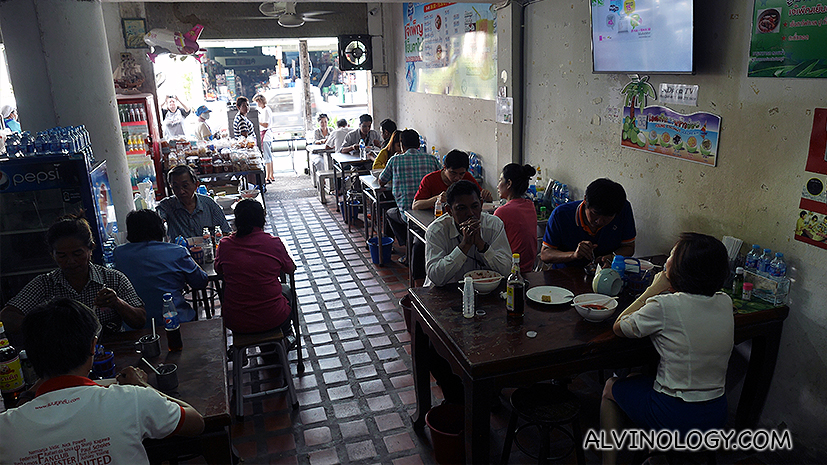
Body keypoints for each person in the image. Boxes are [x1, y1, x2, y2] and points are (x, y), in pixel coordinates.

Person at [0, 298, 203, 463]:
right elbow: (196, 422)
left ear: (30, 355)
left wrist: (32, 390)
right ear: (93, 346)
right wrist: (143, 386)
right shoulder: (132, 399)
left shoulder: (5, 429)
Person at [601, 233, 733, 464]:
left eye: (671, 256)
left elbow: (619, 326)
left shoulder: (665, 305)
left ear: (682, 268)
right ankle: (656, 456)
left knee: (611, 387)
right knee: (636, 378)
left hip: (676, 416)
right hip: (716, 413)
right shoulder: (724, 302)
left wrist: (654, 288)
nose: (666, 261)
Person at [0, 214, 146, 342]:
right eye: (62, 255)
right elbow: (7, 317)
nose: (70, 261)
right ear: (52, 255)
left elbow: (140, 320)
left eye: (77, 253)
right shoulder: (45, 284)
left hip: (110, 353)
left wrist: (117, 303)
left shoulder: (113, 279)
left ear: (91, 249)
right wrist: (46, 324)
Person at [114, 209, 208, 328]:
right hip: (175, 321)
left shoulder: (119, 253)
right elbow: (201, 281)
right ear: (160, 229)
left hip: (135, 324)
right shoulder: (177, 252)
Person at [215, 200, 296, 334]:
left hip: (236, 321)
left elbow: (218, 269)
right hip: (273, 318)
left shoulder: (225, 245)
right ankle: (288, 336)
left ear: (236, 221)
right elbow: (290, 269)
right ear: (262, 220)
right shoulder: (274, 243)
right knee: (287, 292)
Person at [424, 180, 512, 287]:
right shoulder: (436, 230)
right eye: (461, 208)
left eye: (475, 206)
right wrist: (464, 246)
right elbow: (435, 277)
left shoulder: (494, 225)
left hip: (485, 291)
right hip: (445, 291)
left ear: (481, 204)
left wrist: (483, 246)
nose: (470, 213)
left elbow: (507, 270)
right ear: (449, 210)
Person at [540, 178, 635, 269]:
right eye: (595, 213)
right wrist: (573, 255)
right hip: (567, 275)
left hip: (607, 273)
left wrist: (612, 257)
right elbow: (545, 254)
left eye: (608, 217)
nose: (599, 221)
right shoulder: (561, 215)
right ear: (585, 200)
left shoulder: (623, 209)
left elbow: (629, 247)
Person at [379, 129, 441, 250]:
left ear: (402, 145)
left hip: (406, 213)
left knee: (389, 213)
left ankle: (406, 246)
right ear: (419, 144)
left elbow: (382, 180)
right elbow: (441, 175)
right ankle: (411, 244)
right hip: (430, 209)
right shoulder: (431, 159)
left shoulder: (395, 160)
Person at [156, 165, 231, 240]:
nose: (181, 191)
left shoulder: (209, 204)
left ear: (196, 185)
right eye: (175, 187)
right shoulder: (167, 205)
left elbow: (226, 232)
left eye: (185, 186)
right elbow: (158, 218)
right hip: (180, 251)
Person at [411, 149, 493, 211]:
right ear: (444, 167)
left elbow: (480, 196)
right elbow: (415, 206)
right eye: (453, 173)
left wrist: (487, 197)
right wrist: (437, 199)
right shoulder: (429, 179)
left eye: (461, 174)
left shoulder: (467, 177)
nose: (457, 178)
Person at [494, 164, 539, 273]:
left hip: (511, 271)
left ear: (509, 183)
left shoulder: (502, 212)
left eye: (500, 180)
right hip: (529, 268)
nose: (497, 186)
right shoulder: (530, 205)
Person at [253, 94, 275, 183]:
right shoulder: (265, 109)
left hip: (266, 135)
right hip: (267, 135)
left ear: (260, 101)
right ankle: (271, 175)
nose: (257, 104)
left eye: (257, 102)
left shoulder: (265, 110)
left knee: (267, 157)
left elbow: (265, 124)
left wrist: (258, 122)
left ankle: (268, 176)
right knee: (269, 156)